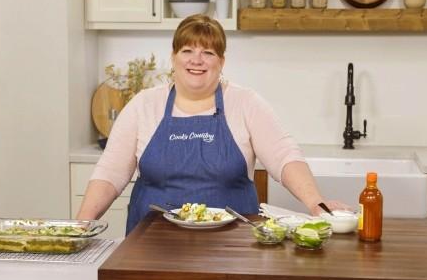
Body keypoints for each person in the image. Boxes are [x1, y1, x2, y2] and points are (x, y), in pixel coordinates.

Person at [77, 14, 348, 234]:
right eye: (187, 50)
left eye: (208, 52)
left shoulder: (245, 103)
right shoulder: (144, 105)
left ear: (221, 62)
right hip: (151, 244)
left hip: (233, 245)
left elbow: (284, 156)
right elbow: (110, 174)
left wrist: (315, 202)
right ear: (173, 58)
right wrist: (81, 226)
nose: (197, 60)